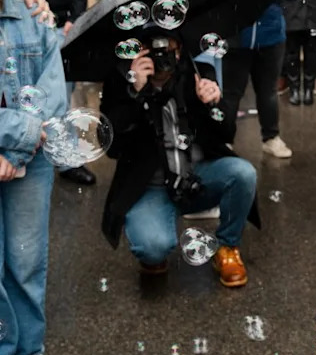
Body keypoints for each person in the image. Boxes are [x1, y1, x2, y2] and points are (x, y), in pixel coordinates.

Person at [99, 23, 259, 287]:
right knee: (153, 248)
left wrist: (214, 104)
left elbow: (226, 134)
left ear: (180, 50)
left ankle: (228, 248)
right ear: (140, 53)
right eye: (154, 51)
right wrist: (134, 93)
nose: (162, 58)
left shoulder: (197, 73)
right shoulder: (121, 80)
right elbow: (112, 148)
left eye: (168, 50)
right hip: (150, 186)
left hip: (196, 176)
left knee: (243, 173)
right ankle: (155, 245)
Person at [0, 0, 68, 355]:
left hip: (32, 155)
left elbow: (53, 90)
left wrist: (18, 145)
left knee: (26, 255)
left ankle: (27, 343)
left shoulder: (30, 14)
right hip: (19, 145)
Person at [1, 0, 95, 187]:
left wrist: (76, 18)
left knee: (58, 98)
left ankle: (65, 159)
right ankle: (18, 154)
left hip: (55, 26)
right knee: (16, 99)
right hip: (13, 28)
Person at [222, 0, 300, 158]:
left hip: (271, 37)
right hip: (237, 37)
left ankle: (271, 137)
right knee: (232, 93)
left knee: (267, 92)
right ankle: (224, 141)